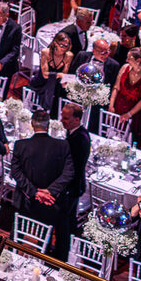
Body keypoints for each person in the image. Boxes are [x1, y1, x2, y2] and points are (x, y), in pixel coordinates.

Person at [11, 109, 74, 230]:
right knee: (45, 237)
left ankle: (12, 249)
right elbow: (69, 173)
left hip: (25, 200)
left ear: (32, 125)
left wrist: (34, 192)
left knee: (17, 233)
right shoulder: (62, 146)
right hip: (50, 202)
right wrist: (49, 191)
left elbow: (16, 172)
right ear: (48, 125)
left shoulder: (20, 145)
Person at [55, 102, 91, 260]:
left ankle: (60, 256)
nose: (62, 120)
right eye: (62, 117)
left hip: (71, 188)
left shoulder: (80, 139)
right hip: (71, 187)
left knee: (64, 224)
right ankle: (60, 252)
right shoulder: (74, 133)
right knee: (66, 222)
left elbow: (73, 167)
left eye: (66, 118)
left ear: (77, 119)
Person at [112, 47, 141, 141]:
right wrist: (111, 106)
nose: (126, 60)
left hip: (135, 114)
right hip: (119, 108)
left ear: (138, 60)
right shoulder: (124, 67)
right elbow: (116, 88)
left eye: (129, 58)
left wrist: (129, 114)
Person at [31, 32, 75, 114]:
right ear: (55, 43)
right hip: (42, 82)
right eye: (62, 45)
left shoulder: (69, 55)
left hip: (56, 85)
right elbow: (44, 74)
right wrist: (59, 75)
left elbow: (64, 75)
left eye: (67, 45)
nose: (65, 48)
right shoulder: (46, 52)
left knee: (67, 93)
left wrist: (63, 79)